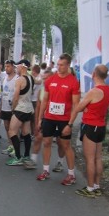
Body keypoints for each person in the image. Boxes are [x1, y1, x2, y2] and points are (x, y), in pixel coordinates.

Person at [68, 64, 109, 198]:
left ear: (93, 74)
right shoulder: (108, 89)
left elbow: (80, 107)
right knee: (98, 158)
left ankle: (90, 188)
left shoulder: (94, 91)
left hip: (91, 126)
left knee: (90, 159)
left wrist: (85, 107)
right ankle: (97, 186)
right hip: (101, 125)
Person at [37, 53, 81, 185]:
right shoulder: (50, 80)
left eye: (62, 65)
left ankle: (71, 174)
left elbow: (75, 105)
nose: (59, 67)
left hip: (64, 119)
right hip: (49, 117)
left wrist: (70, 124)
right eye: (58, 64)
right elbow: (45, 100)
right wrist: (40, 118)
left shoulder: (73, 81)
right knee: (46, 143)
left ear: (68, 65)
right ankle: (45, 170)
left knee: (66, 145)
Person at [6, 59, 35, 166]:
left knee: (12, 132)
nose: (15, 68)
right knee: (26, 133)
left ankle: (18, 157)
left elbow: (16, 97)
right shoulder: (31, 78)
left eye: (17, 66)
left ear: (22, 67)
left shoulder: (20, 80)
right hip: (29, 109)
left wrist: (13, 108)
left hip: (20, 109)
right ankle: (26, 155)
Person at [0, 60, 18, 156]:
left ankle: (15, 147)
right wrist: (1, 104)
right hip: (5, 106)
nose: (6, 68)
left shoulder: (17, 78)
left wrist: (15, 106)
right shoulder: (5, 78)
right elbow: (2, 92)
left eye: (8, 66)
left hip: (14, 108)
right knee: (6, 127)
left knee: (13, 128)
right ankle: (10, 145)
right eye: (5, 66)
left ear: (13, 67)